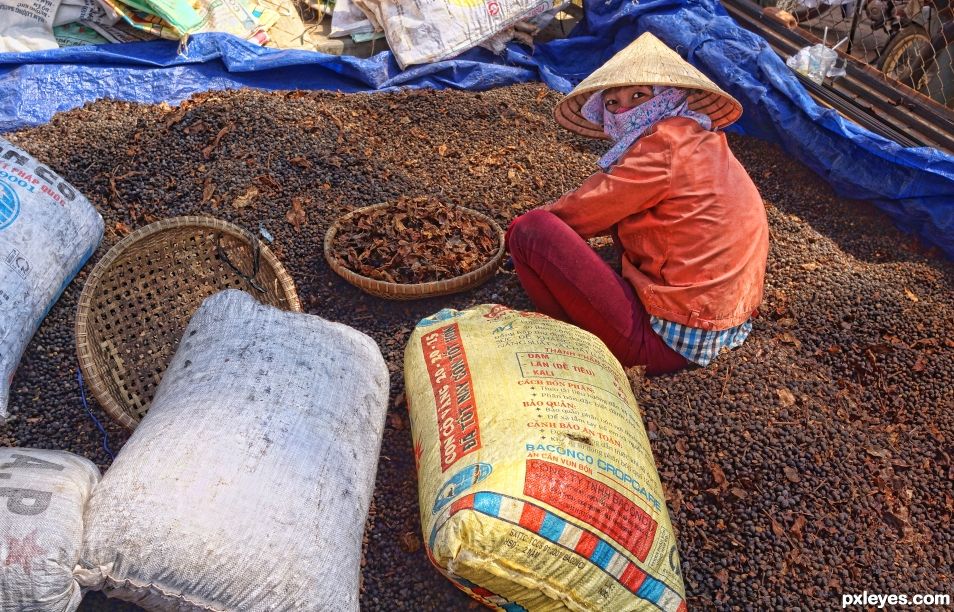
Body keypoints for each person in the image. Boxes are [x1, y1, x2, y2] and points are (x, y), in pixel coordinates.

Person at [506, 32, 769, 376]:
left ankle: (563, 336)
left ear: (671, 97)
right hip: (724, 323)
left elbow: (582, 213)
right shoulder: (702, 139)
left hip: (666, 343)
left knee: (532, 231)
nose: (623, 109)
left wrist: (514, 235)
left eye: (639, 96)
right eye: (612, 103)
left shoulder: (664, 147)